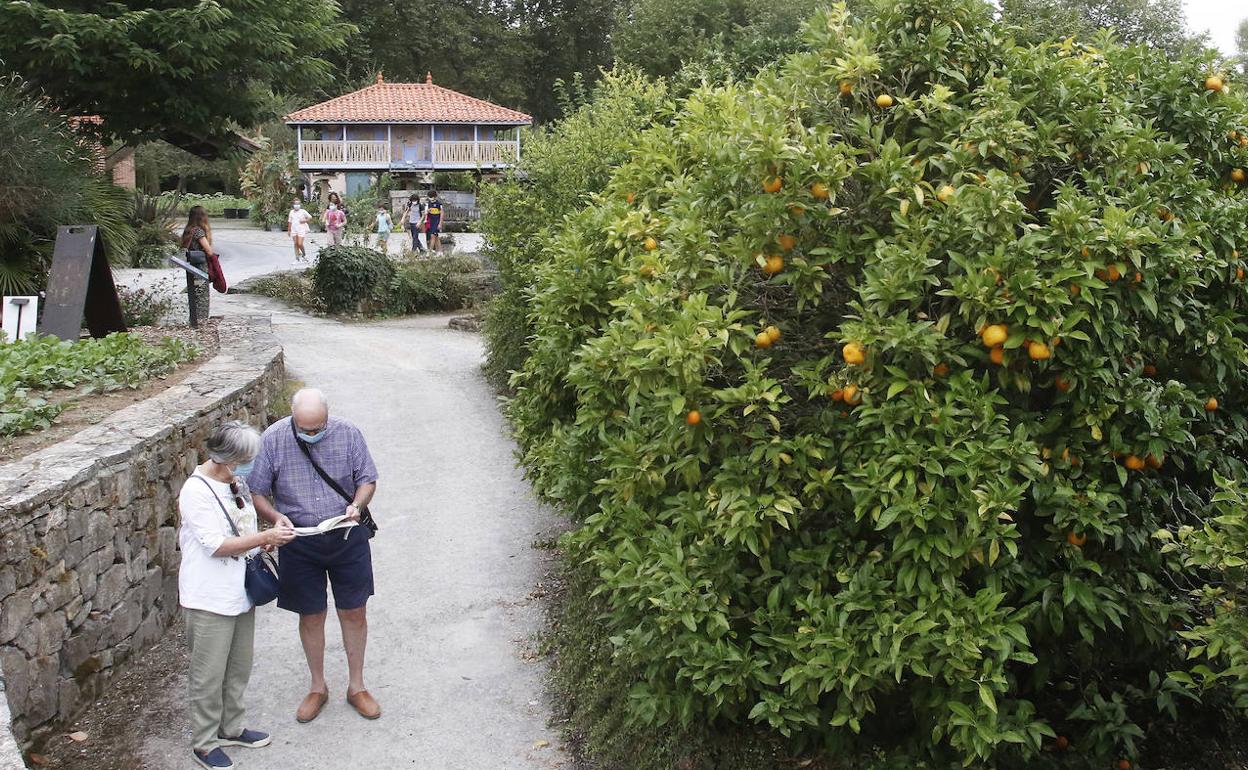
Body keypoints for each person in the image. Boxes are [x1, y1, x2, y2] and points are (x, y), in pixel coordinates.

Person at [248, 388, 381, 723]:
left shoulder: (347, 432)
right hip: (299, 540)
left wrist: (357, 505)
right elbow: (257, 491)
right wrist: (275, 518)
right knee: (310, 615)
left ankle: (357, 686)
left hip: (346, 535)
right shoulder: (274, 438)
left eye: (317, 427)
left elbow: (368, 480)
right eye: (304, 429)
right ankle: (317, 686)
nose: (312, 434)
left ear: (327, 417)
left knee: (354, 611)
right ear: (293, 418)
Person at [179, 421, 296, 770]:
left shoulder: (234, 481)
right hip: (208, 596)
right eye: (244, 459)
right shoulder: (195, 491)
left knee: (238, 665)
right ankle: (203, 742)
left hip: (239, 591)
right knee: (208, 672)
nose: (248, 466)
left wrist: (268, 531)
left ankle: (232, 726)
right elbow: (215, 545)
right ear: (225, 457)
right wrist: (266, 539)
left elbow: (241, 526)